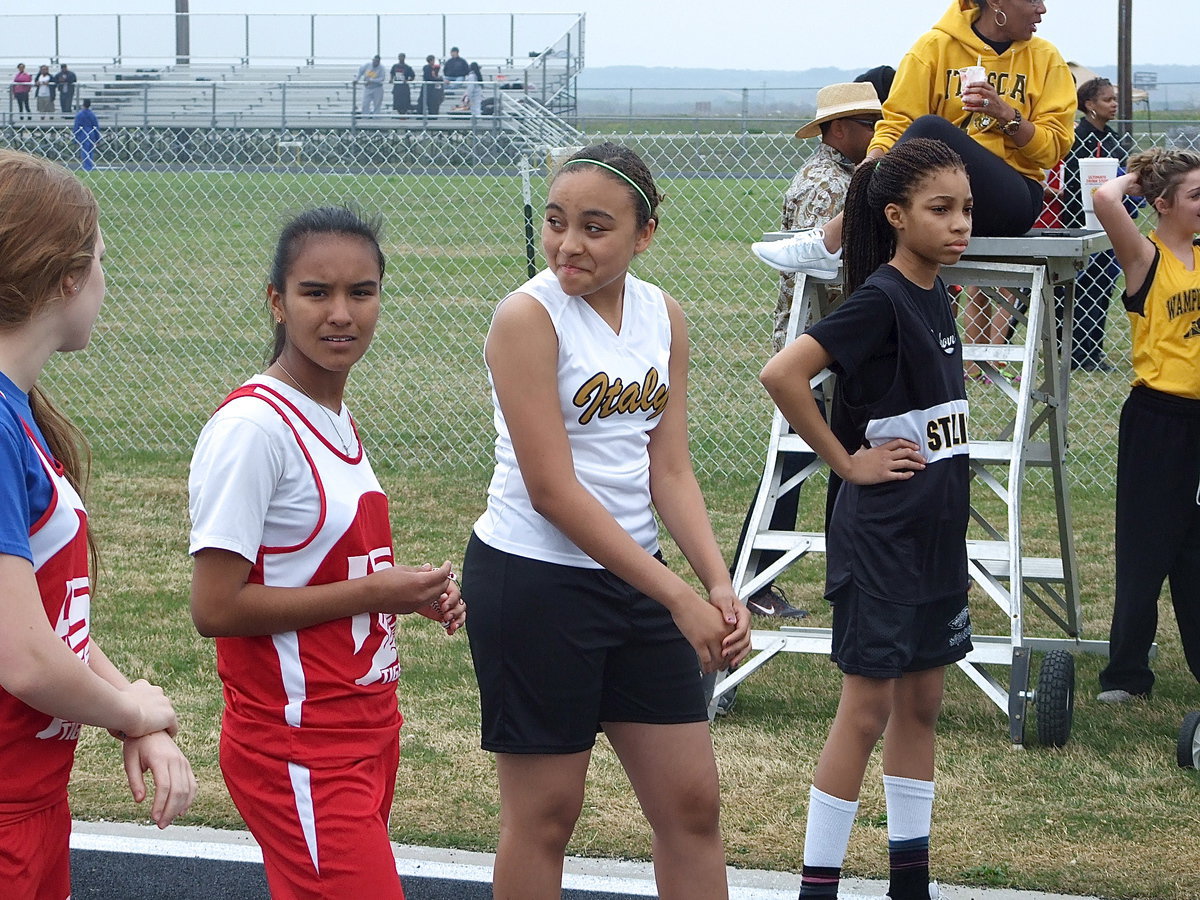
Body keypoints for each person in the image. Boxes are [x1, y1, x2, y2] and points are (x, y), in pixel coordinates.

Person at [463, 142, 751, 899]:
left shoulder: (664, 315)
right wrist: (677, 597)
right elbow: (553, 492)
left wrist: (717, 585)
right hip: (534, 582)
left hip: (639, 581)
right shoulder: (526, 317)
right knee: (547, 813)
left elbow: (670, 468)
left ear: (645, 234)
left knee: (691, 804)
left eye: (596, 227)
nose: (569, 244)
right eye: (558, 222)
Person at [188, 206, 466, 899]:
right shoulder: (253, 428)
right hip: (298, 746)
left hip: (364, 732)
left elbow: (319, 565)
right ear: (277, 302)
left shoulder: (333, 413)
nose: (341, 313)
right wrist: (378, 594)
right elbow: (215, 607)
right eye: (316, 293)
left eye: (361, 292)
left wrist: (409, 594)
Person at [759, 138, 975, 900]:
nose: (959, 225)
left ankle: (908, 882)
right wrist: (847, 463)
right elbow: (782, 374)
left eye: (966, 210)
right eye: (940, 209)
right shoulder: (880, 298)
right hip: (882, 540)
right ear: (896, 215)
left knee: (923, 702)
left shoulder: (936, 292)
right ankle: (819, 884)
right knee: (868, 708)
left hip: (936, 538)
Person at [0, 149, 196, 898]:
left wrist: (129, 710)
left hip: (32, 803)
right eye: (102, 261)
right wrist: (126, 706)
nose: (107, 282)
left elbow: (48, 622)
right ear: (66, 279)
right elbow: (21, 655)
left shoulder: (19, 417)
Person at [753, 0, 1074, 278]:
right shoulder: (933, 48)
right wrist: (870, 166)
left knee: (929, 128)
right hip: (938, 198)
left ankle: (829, 240)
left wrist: (1006, 115)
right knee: (915, 149)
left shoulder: (1046, 58)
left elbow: (1052, 150)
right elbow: (896, 123)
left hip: (1012, 200)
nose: (1042, 9)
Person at [734, 80, 885, 621]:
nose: (876, 134)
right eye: (868, 125)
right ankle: (753, 582)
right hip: (816, 344)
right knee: (797, 460)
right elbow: (818, 270)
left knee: (832, 454)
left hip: (834, 341)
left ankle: (840, 573)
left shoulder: (849, 175)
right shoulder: (826, 182)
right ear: (837, 130)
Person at [1092, 149, 1200, 704]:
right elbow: (1106, 198)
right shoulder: (1146, 258)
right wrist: (1151, 174)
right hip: (1160, 419)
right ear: (1163, 205)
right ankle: (1127, 676)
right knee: (1145, 548)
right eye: (1196, 196)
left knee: (1195, 549)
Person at [1057, 76, 1132, 372]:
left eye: (1114, 99)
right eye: (1107, 100)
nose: (1113, 105)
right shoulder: (1079, 139)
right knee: (1079, 288)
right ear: (1089, 105)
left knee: (1103, 287)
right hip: (1079, 222)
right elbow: (1071, 186)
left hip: (1109, 226)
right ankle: (1075, 351)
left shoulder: (1113, 139)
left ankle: (1094, 350)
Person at [72, 98, 100, 172]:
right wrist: (98, 138)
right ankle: (89, 165)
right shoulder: (92, 114)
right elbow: (96, 126)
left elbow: (76, 126)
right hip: (91, 133)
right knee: (90, 150)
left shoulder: (79, 115)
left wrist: (75, 137)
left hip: (83, 133)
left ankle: (86, 166)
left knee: (84, 150)